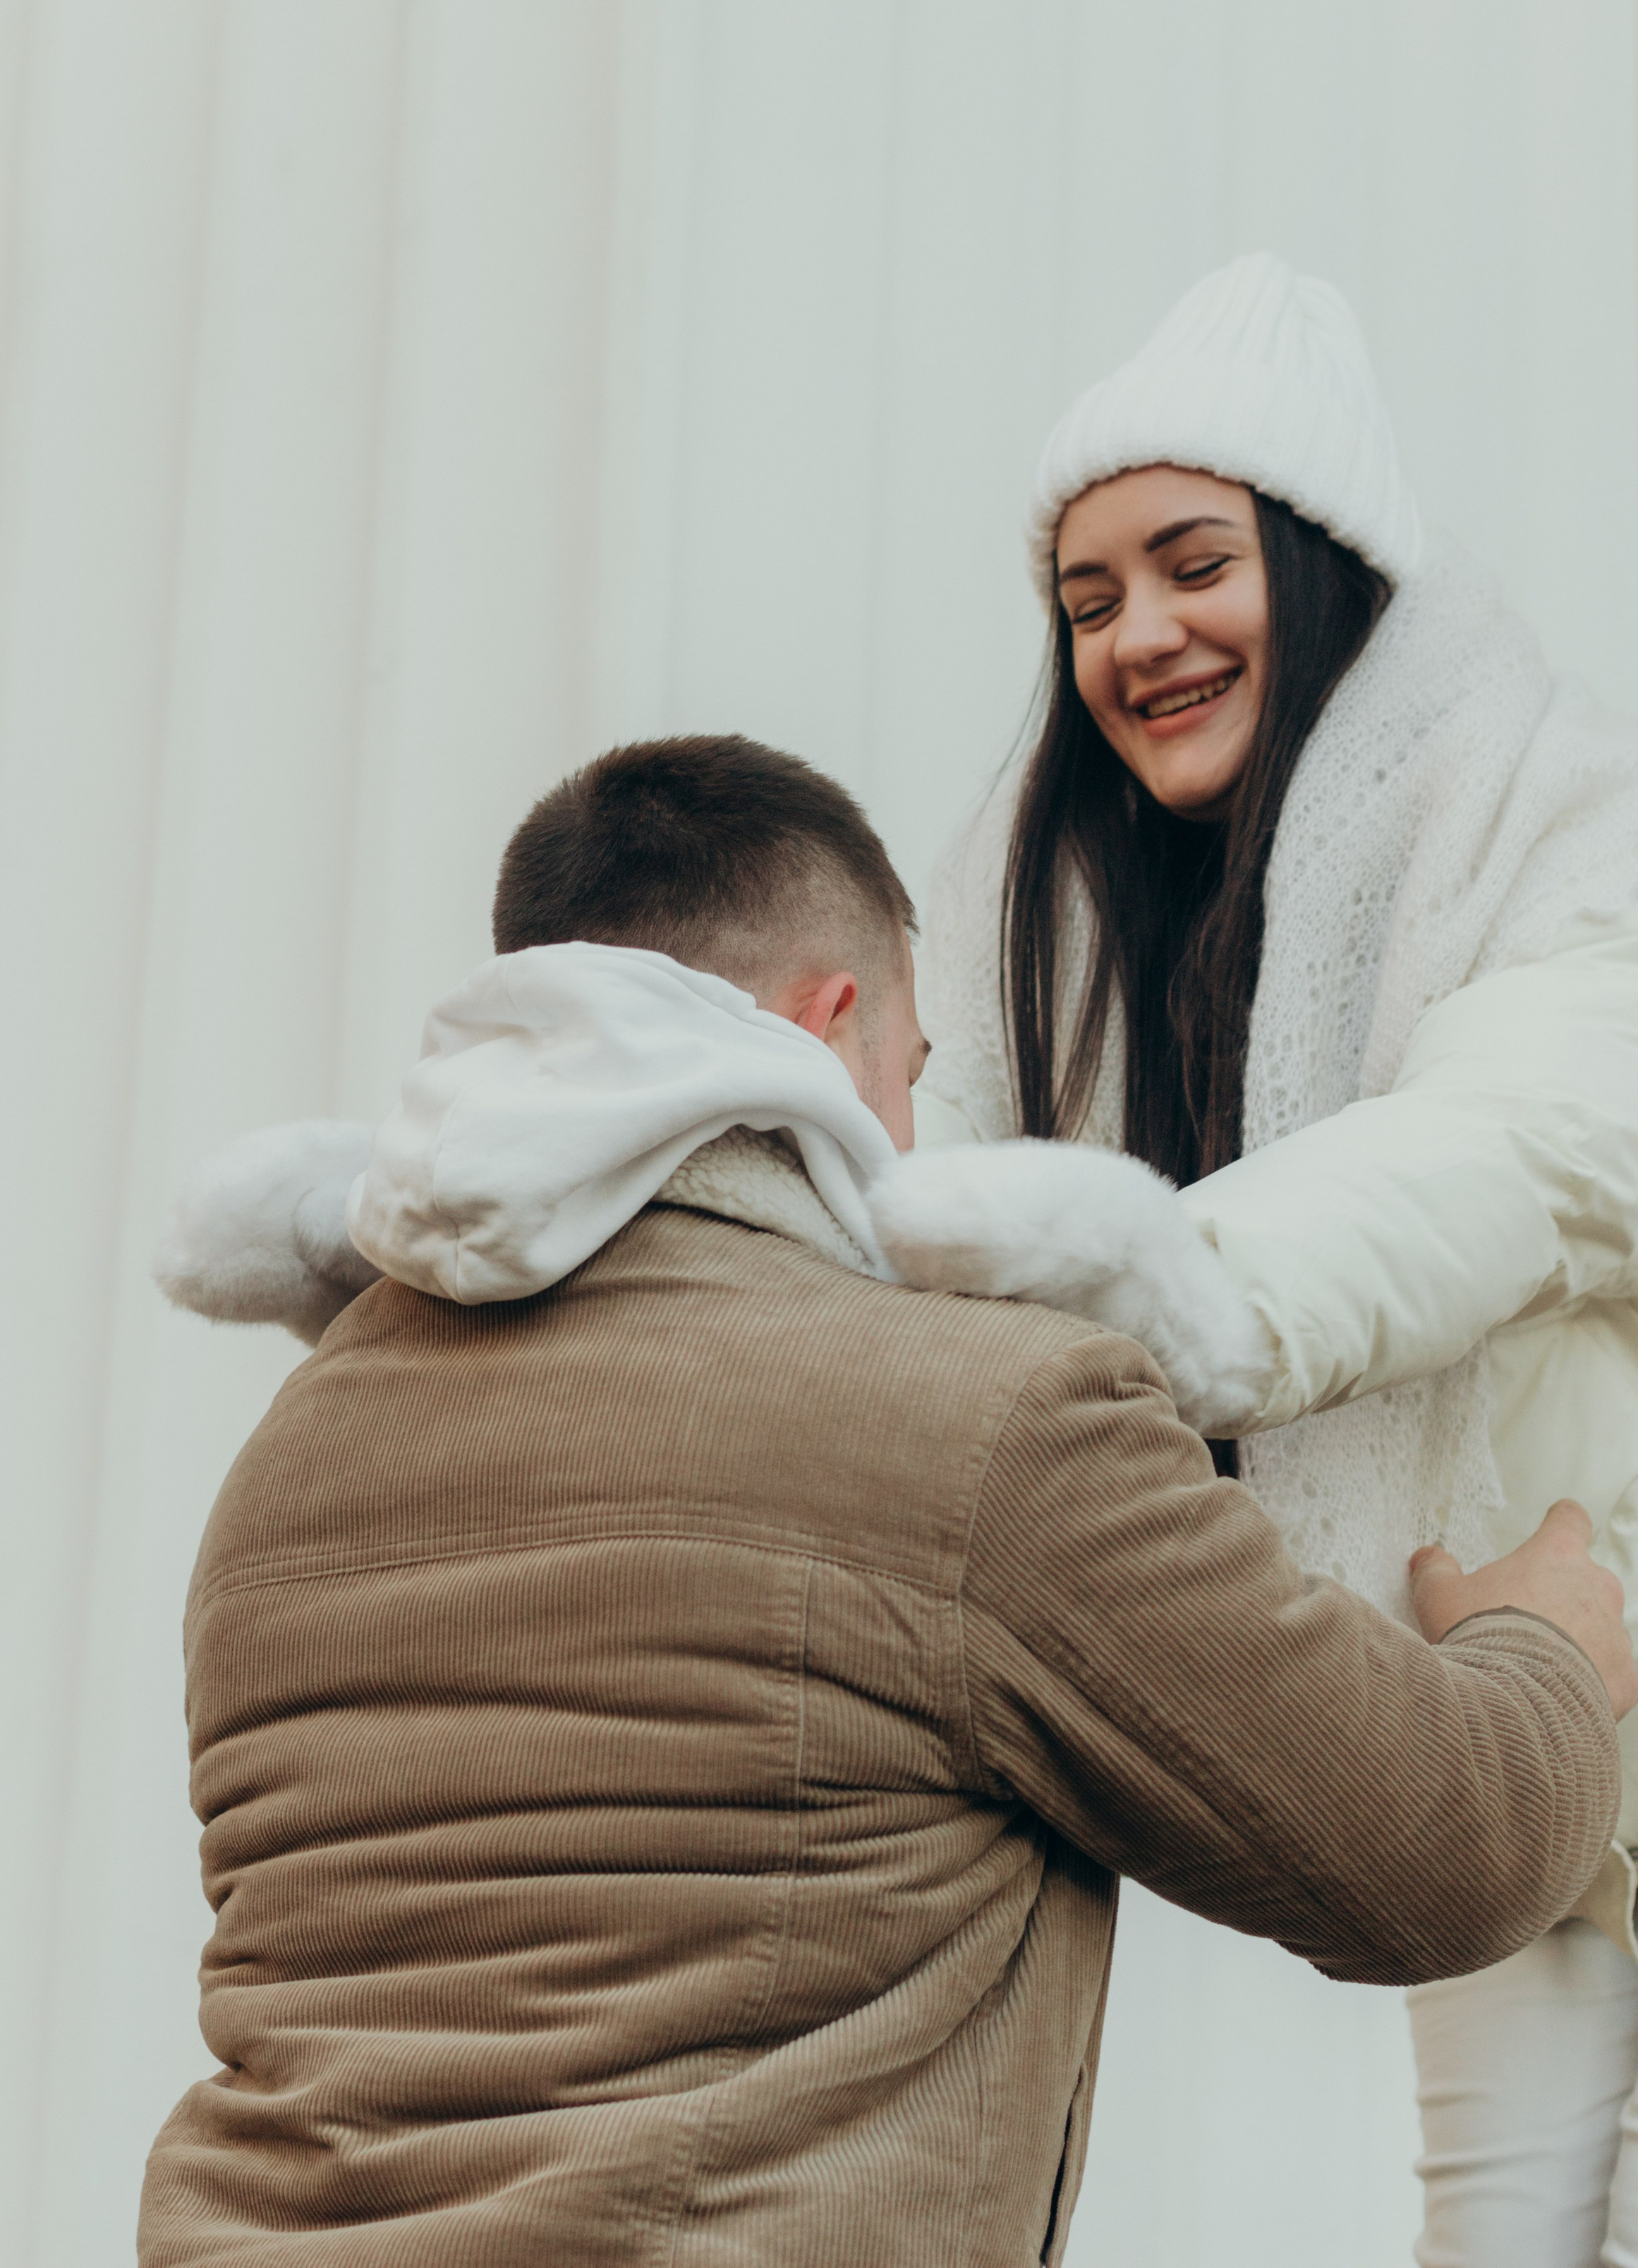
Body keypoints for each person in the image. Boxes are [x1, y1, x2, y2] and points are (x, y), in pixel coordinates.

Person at [140, 733, 1630, 2266]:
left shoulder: (290, 1465)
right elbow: (1442, 1854)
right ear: (828, 1024)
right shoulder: (980, 1418)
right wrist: (1546, 1649)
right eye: (914, 1076)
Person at [894, 254, 1638, 2267]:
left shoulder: (1565, 837)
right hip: (1511, 1700)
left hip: (1572, 1641)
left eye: (1192, 565)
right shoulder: (1081, 920)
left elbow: (1500, 1160)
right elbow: (923, 1169)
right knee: (1494, 2235)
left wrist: (1156, 1286)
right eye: (1087, 599)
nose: (1137, 634)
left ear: (1316, 572)